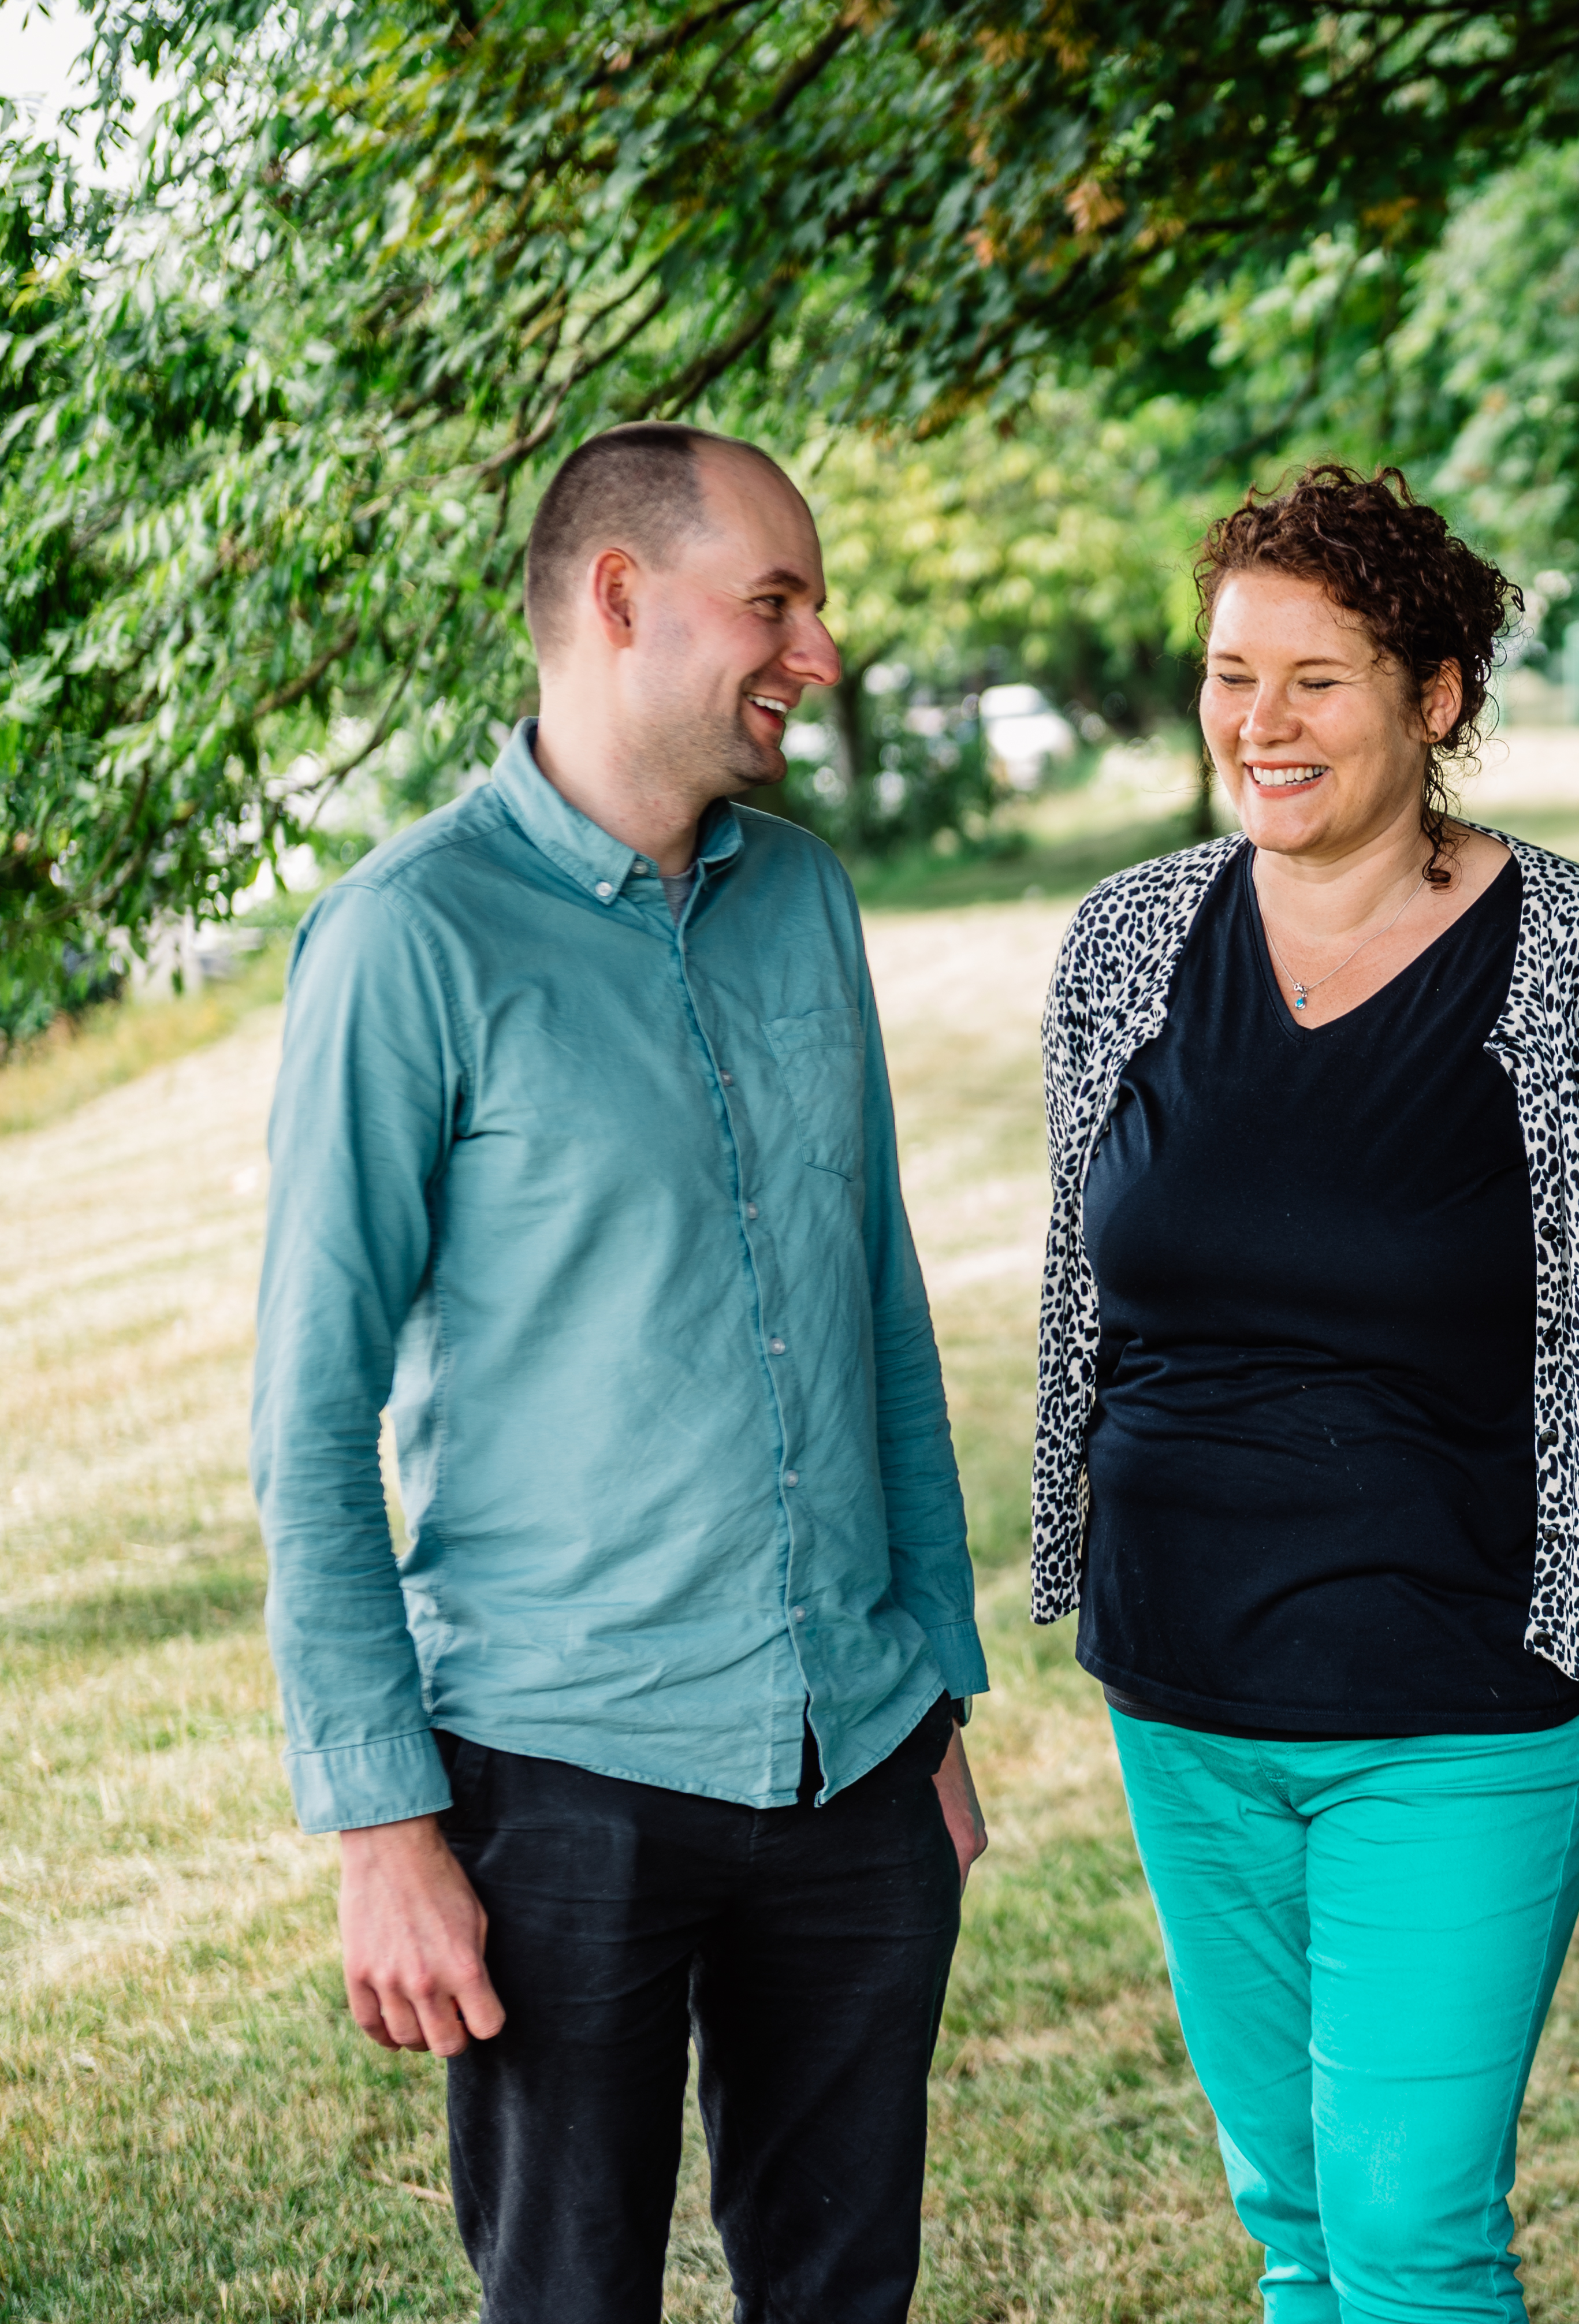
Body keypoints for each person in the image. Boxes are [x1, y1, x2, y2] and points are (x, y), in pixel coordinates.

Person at [251, 422, 991, 2323]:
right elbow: (311, 1419)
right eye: (777, 602)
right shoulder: (408, 939)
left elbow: (873, 1300)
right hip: (555, 1781)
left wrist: (933, 1687)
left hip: (854, 1763)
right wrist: (383, 1826)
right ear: (615, 597)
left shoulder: (807, 899)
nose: (817, 651)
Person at [1028, 464, 1579, 2324]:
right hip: (1180, 1688)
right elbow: (1097, 1287)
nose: (1262, 723)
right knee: (1299, 2227)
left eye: (1316, 679)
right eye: (1231, 674)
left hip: (1463, 1696)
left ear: (1434, 698)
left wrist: (1567, 1536)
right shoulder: (1124, 948)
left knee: (1415, 2232)